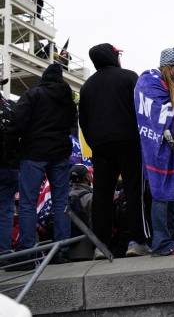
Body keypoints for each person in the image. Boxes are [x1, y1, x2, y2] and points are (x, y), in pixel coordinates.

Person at [79, 43, 151, 259]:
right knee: (134, 191)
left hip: (101, 147)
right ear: (113, 57)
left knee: (102, 194)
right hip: (129, 142)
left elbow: (83, 121)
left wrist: (95, 143)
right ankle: (137, 240)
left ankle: (101, 245)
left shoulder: (87, 86)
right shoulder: (130, 77)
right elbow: (142, 111)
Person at [9, 64, 77, 269]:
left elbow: (17, 122)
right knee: (60, 202)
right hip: (60, 154)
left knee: (28, 203)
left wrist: (17, 147)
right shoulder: (68, 99)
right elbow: (72, 124)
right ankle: (61, 250)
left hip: (34, 153)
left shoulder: (33, 95)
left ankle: (28, 251)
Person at [135, 48, 174, 257]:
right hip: (157, 146)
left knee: (172, 195)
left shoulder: (171, 86)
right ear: (168, 66)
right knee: (161, 195)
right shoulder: (149, 82)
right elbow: (158, 113)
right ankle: (161, 241)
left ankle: (172, 238)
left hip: (171, 146)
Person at [0, 78, 18, 255]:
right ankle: (3, 251)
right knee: (5, 209)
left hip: (9, 166)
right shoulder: (11, 107)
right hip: (9, 166)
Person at [67, 163, 94, 261]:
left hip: (68, 251)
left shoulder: (63, 199)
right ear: (87, 177)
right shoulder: (90, 198)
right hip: (88, 251)